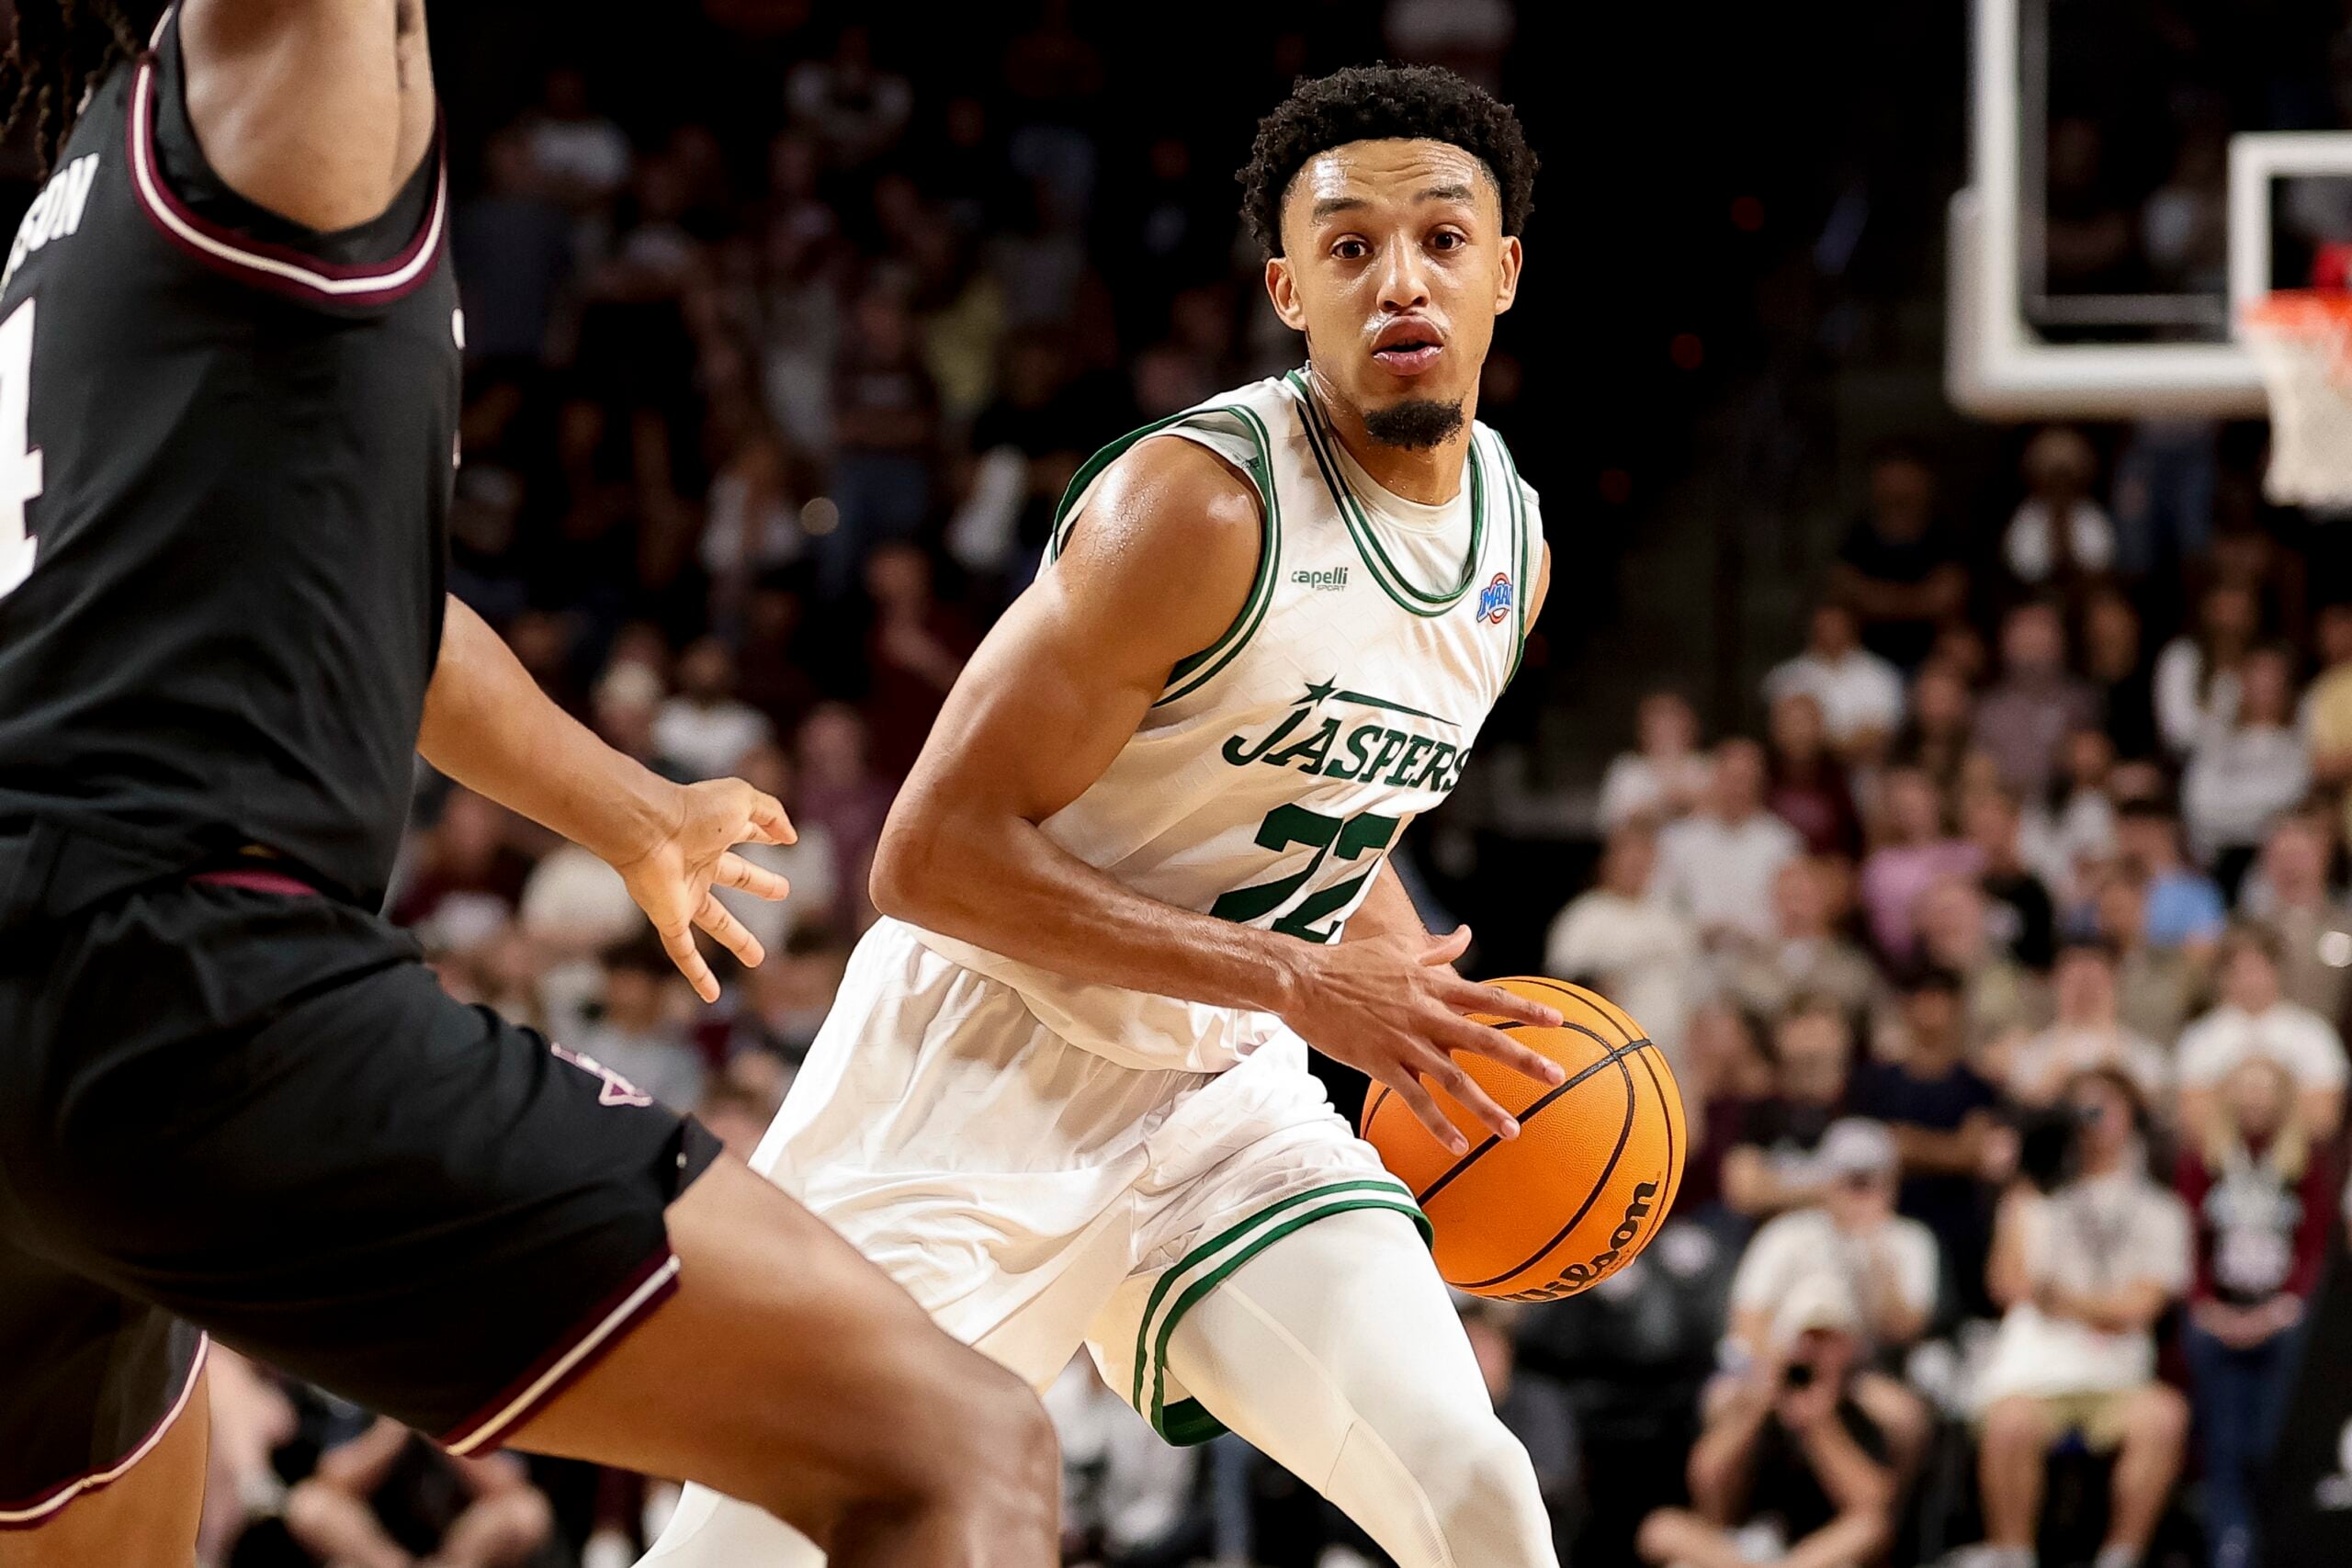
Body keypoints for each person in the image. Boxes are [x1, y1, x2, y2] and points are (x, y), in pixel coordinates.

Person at [0, 8, 1056, 1565]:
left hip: (45, 978)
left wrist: (630, 807)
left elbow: (381, 614)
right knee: (961, 1451)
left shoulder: (81, 216)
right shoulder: (289, 71)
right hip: (174, 963)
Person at [644, 65, 1567, 1568]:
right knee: (764, 1554)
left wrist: (1407, 987)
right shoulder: (1198, 508)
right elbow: (925, 857)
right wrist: (1300, 978)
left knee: (1479, 1497)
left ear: (1504, 271)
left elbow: (1327, 796)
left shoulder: (1507, 554)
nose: (1400, 277)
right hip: (971, 1079)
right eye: (1348, 247)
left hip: (1219, 1096)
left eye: (1443, 239)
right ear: (1288, 288)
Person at [1968, 1070, 2193, 1568]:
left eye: (2105, 1106)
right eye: (2081, 1109)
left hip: (2116, 1376)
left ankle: (2119, 1558)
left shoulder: (2160, 1209)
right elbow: (2007, 1286)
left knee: (2165, 1416)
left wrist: (2063, 1302)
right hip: (2037, 1373)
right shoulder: (2035, 1197)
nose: (2093, 1120)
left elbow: (2141, 1307)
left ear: (2131, 1115)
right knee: (2008, 1423)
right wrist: (2021, 1182)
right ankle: (2012, 1558)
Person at [2177, 1057, 2335, 1568]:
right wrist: (2211, 1310)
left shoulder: (2307, 1161)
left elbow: (2314, 1251)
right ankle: (2231, 1546)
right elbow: (2190, 1246)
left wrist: (2274, 1313)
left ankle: (2276, 1540)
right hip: (2219, 1312)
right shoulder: (2203, 1158)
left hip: (2283, 1316)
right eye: (2245, 1089)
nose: (2254, 1100)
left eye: (2265, 1090)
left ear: (2284, 1099)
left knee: (2270, 1440)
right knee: (2223, 1438)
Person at [1635, 1277, 1898, 1568]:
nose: (1812, 1352)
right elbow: (1708, 1487)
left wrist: (1819, 1424)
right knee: (1661, 1529)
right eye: (1805, 1338)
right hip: (1740, 1548)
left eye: (1826, 1339)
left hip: (1815, 1554)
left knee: (1868, 1529)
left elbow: (1873, 1506)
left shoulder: (1860, 1409)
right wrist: (1759, 1405)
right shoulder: (1745, 1399)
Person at [1855, 969, 2009, 1303]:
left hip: (1957, 1227)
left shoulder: (1977, 1087)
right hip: (1888, 1218)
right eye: (1921, 998)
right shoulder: (1874, 1083)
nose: (1930, 1010)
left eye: (1940, 999)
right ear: (1904, 1007)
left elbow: (1972, 1153)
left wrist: (1907, 1144)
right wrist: (1943, 1150)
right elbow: (1867, 1150)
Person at [284, 1416, 555, 1568]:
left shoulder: (474, 1394)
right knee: (309, 1502)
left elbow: (507, 1483)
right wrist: (393, 1428)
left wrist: (440, 1433)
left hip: (459, 1549)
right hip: (383, 1548)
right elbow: (332, 1476)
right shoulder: (365, 1385)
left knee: (527, 1508)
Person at [1544, 820, 1701, 1067]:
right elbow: (1560, 990)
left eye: (1644, 860)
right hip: (1603, 1056)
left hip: (1673, 1056)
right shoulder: (1582, 918)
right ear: (1609, 862)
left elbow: (1694, 989)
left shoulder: (1672, 920)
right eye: (1628, 859)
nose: (1636, 867)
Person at [2177, 924, 2348, 1144]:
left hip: (2301, 1167)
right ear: (2222, 975)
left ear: (2276, 969)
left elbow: (2324, 1118)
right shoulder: (2200, 1038)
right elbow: (2192, 1120)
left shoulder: (2313, 1033)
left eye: (2258, 968)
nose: (2250, 980)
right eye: (2239, 970)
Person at [1654, 737, 1805, 949]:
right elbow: (1660, 904)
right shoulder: (1677, 840)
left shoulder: (1783, 843)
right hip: (1691, 956)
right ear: (1715, 778)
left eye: (1745, 779)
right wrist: (1696, 932)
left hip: (1763, 959)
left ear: (1760, 783)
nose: (1737, 788)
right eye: (1731, 778)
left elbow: (1795, 914)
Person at [2182, 646, 2311, 897]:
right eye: (2254, 674)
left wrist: (2239, 811)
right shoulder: (2217, 741)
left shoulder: (2298, 742)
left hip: (2274, 861)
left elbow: (2292, 796)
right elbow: (2199, 806)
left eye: (2272, 676)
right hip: (2216, 863)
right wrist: (2261, 818)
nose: (2263, 685)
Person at [1829, 446, 1968, 669]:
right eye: (1890, 479)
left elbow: (1946, 597)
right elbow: (1844, 591)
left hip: (1932, 658)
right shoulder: (1857, 537)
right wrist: (1918, 599)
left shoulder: (1945, 536)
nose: (1898, 489)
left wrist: (1876, 597)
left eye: (1907, 478)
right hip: (1864, 657)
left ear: (1926, 482)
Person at [1722, 1001, 1858, 1221]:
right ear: (1779, 1040)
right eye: (1803, 1032)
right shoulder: (1760, 1111)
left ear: (1844, 1038)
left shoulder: (1868, 1099)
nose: (1813, 1046)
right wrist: (1823, 1192)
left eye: (1821, 1032)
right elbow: (1742, 1191)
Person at [2008, 939, 2173, 1111]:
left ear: (2113, 983)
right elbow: (2028, 1109)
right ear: (2057, 984)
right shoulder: (2029, 1057)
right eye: (2075, 980)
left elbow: (2152, 1109)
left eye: (2093, 980)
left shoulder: (2146, 1056)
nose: (2085, 990)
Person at [1714, 858, 1881, 1024]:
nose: (1795, 906)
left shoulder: (1851, 966)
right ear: (1773, 900)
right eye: (1787, 896)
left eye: (1803, 895)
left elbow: (1879, 1021)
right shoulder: (1746, 965)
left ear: (1826, 900)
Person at [1972, 601, 2098, 802]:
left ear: (2060, 640)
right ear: (2005, 642)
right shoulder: (1986, 708)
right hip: (2005, 813)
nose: (2031, 642)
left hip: (2069, 810)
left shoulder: (2083, 700)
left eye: (2041, 630)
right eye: (2022, 632)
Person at [1858, 763, 1980, 963]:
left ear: (1935, 799)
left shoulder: (1968, 852)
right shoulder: (1881, 866)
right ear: (1891, 811)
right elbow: (1886, 935)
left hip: (1970, 958)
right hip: (1911, 964)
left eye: (1918, 799)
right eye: (1903, 804)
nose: (1913, 809)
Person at [2243, 810, 2352, 1024]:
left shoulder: (2346, 926)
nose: (2289, 866)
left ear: (2324, 855)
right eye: (2279, 856)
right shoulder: (2247, 931)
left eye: (2298, 855)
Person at [1762, 602, 1904, 760]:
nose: (1831, 631)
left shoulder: (1881, 674)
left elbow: (1880, 736)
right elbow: (1787, 736)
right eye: (1825, 625)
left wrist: (1821, 742)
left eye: (1837, 624)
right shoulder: (1786, 677)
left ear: (1852, 627)